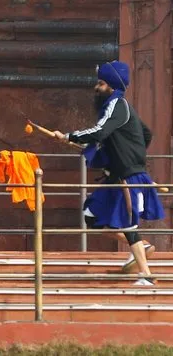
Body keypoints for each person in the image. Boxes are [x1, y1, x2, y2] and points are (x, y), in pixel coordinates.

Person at [53, 60, 165, 286]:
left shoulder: (117, 104)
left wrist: (70, 136)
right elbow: (145, 133)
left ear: (112, 86)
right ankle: (140, 247)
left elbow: (101, 131)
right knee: (92, 217)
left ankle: (145, 275)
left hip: (127, 175)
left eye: (101, 83)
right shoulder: (117, 107)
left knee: (129, 224)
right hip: (117, 174)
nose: (97, 87)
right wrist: (122, 150)